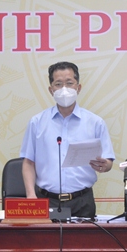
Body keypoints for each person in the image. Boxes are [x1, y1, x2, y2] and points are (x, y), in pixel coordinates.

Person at [20, 61, 115, 218]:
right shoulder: (37, 122)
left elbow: (108, 162)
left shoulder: (95, 122)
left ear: (78, 87)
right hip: (46, 200)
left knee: (83, 243)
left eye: (69, 83)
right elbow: (29, 162)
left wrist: (105, 166)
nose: (64, 89)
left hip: (82, 201)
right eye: (58, 84)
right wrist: (31, 196)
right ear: (51, 90)